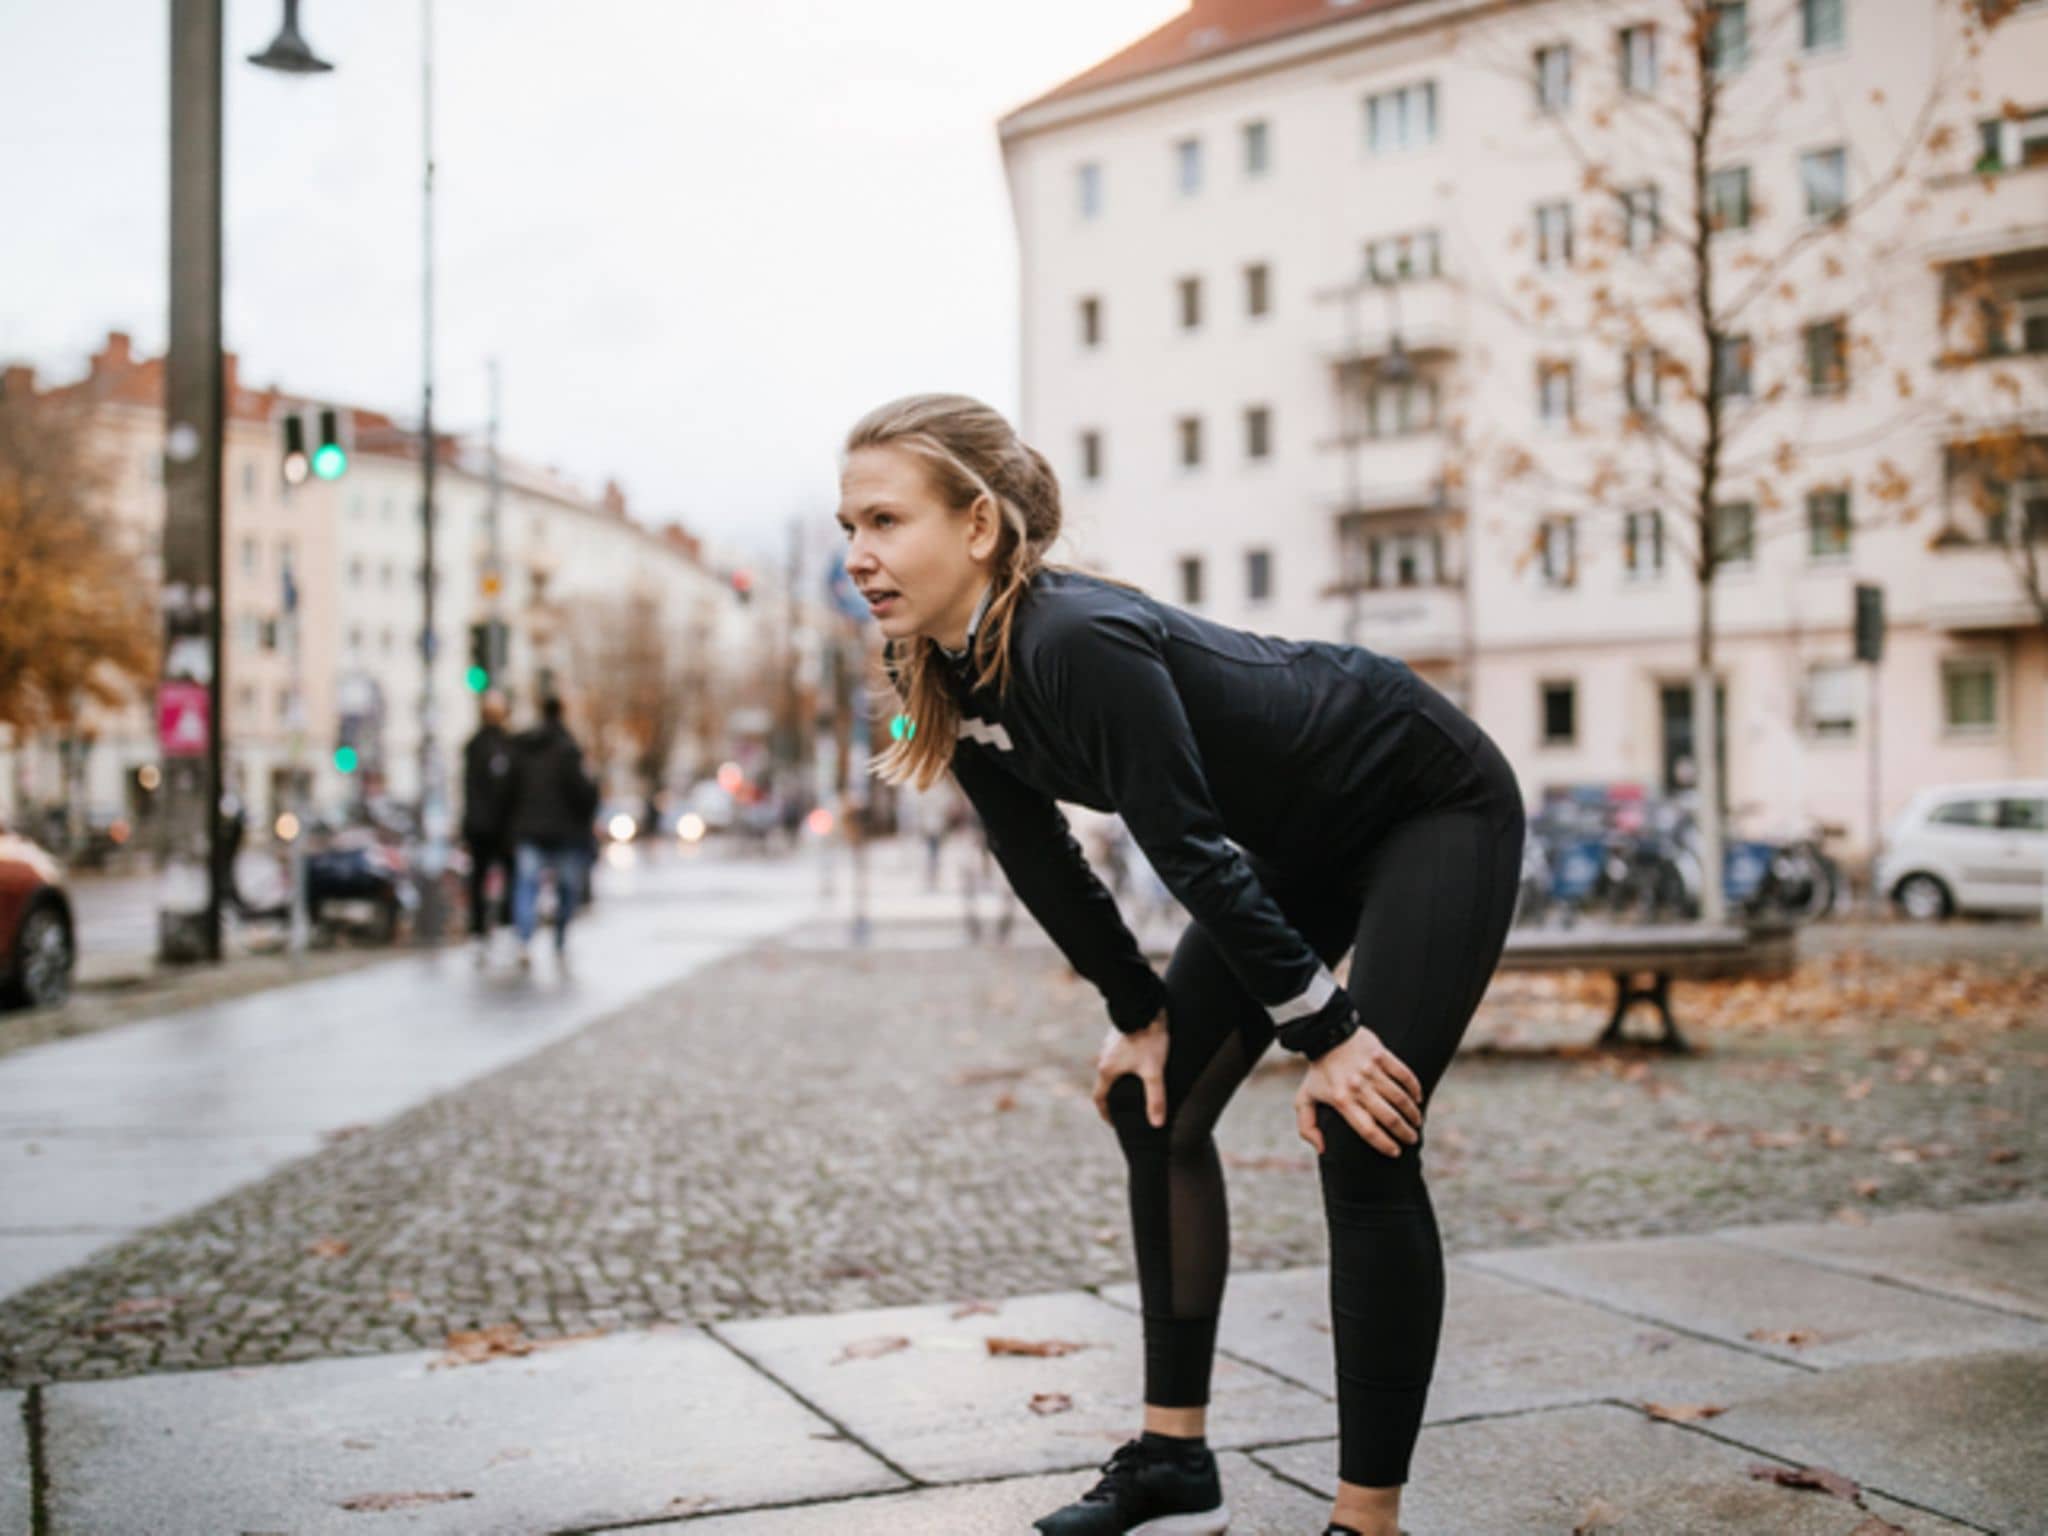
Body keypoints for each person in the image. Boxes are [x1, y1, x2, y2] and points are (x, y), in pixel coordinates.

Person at [836, 396, 1524, 1536]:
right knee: (1149, 1106)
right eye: (847, 524)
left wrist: (1330, 1036)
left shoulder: (1073, 641)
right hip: (1299, 842)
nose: (857, 554)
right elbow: (1037, 855)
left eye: (884, 520)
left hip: (1421, 800)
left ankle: (1364, 1522)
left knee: (1365, 1127)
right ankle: (1172, 1459)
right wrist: (1135, 1010)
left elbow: (1186, 848)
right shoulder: (945, 664)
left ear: (975, 527)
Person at [508, 695, 599, 971]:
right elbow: (583, 793)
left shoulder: (523, 747)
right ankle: (559, 938)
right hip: (565, 833)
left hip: (529, 830)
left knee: (527, 885)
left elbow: (510, 791)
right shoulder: (568, 749)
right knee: (566, 888)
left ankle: (524, 938)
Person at [460, 690, 517, 964]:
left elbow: (469, 789)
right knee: (504, 877)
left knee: (480, 879)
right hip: (499, 827)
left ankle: (481, 933)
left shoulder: (474, 745)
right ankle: (500, 929)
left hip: (481, 826)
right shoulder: (505, 745)